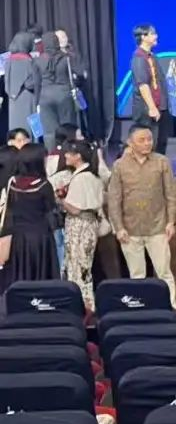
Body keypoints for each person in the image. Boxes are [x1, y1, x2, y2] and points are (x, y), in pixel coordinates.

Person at [107, 124, 176, 307]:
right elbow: (114, 200)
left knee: (164, 273)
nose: (147, 143)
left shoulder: (162, 162)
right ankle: (141, 309)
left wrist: (171, 221)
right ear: (130, 143)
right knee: (137, 275)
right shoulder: (119, 165)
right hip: (129, 229)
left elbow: (171, 194)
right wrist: (118, 228)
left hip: (158, 227)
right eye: (142, 140)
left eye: (149, 139)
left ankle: (171, 308)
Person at [0, 144, 61, 296]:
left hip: (19, 238)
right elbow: (52, 213)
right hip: (41, 238)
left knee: (21, 272)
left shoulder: (12, 183)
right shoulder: (44, 185)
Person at [58, 140, 104, 311]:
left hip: (79, 225)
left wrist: (60, 200)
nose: (65, 156)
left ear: (78, 156)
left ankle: (83, 305)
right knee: (83, 265)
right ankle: (86, 304)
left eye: (68, 153)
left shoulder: (81, 178)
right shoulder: (92, 175)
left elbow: (75, 209)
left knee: (78, 267)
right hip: (90, 224)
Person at [33, 33, 79, 150]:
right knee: (67, 127)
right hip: (64, 95)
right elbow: (74, 77)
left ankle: (52, 155)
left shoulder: (38, 60)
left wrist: (36, 102)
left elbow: (36, 83)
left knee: (49, 131)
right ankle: (68, 153)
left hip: (45, 97)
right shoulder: (66, 58)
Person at [130, 24, 170, 154]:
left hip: (159, 107)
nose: (156, 36)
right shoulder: (139, 58)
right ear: (143, 37)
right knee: (150, 144)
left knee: (160, 143)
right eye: (152, 34)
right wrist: (152, 107)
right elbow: (143, 85)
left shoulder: (151, 56)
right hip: (147, 110)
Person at [5, 32, 37, 137]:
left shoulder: (9, 60)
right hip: (27, 97)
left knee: (16, 127)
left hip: (13, 101)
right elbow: (33, 82)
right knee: (29, 128)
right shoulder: (28, 61)